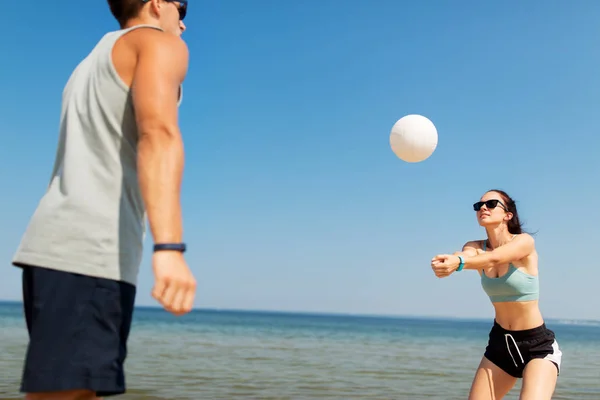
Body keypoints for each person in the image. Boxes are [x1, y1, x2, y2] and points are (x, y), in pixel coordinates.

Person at [11, 1, 196, 399]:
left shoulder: (92, 60)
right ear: (156, 4)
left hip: (55, 251)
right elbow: (158, 134)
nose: (183, 20)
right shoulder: (158, 44)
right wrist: (170, 247)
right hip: (90, 253)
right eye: (181, 7)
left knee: (73, 392)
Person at [430, 189, 562, 400]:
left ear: (507, 214)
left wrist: (460, 263)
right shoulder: (474, 247)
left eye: (491, 204)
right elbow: (465, 255)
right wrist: (451, 262)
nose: (483, 208)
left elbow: (494, 258)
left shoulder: (524, 242)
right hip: (500, 344)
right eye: (478, 205)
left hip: (537, 346)